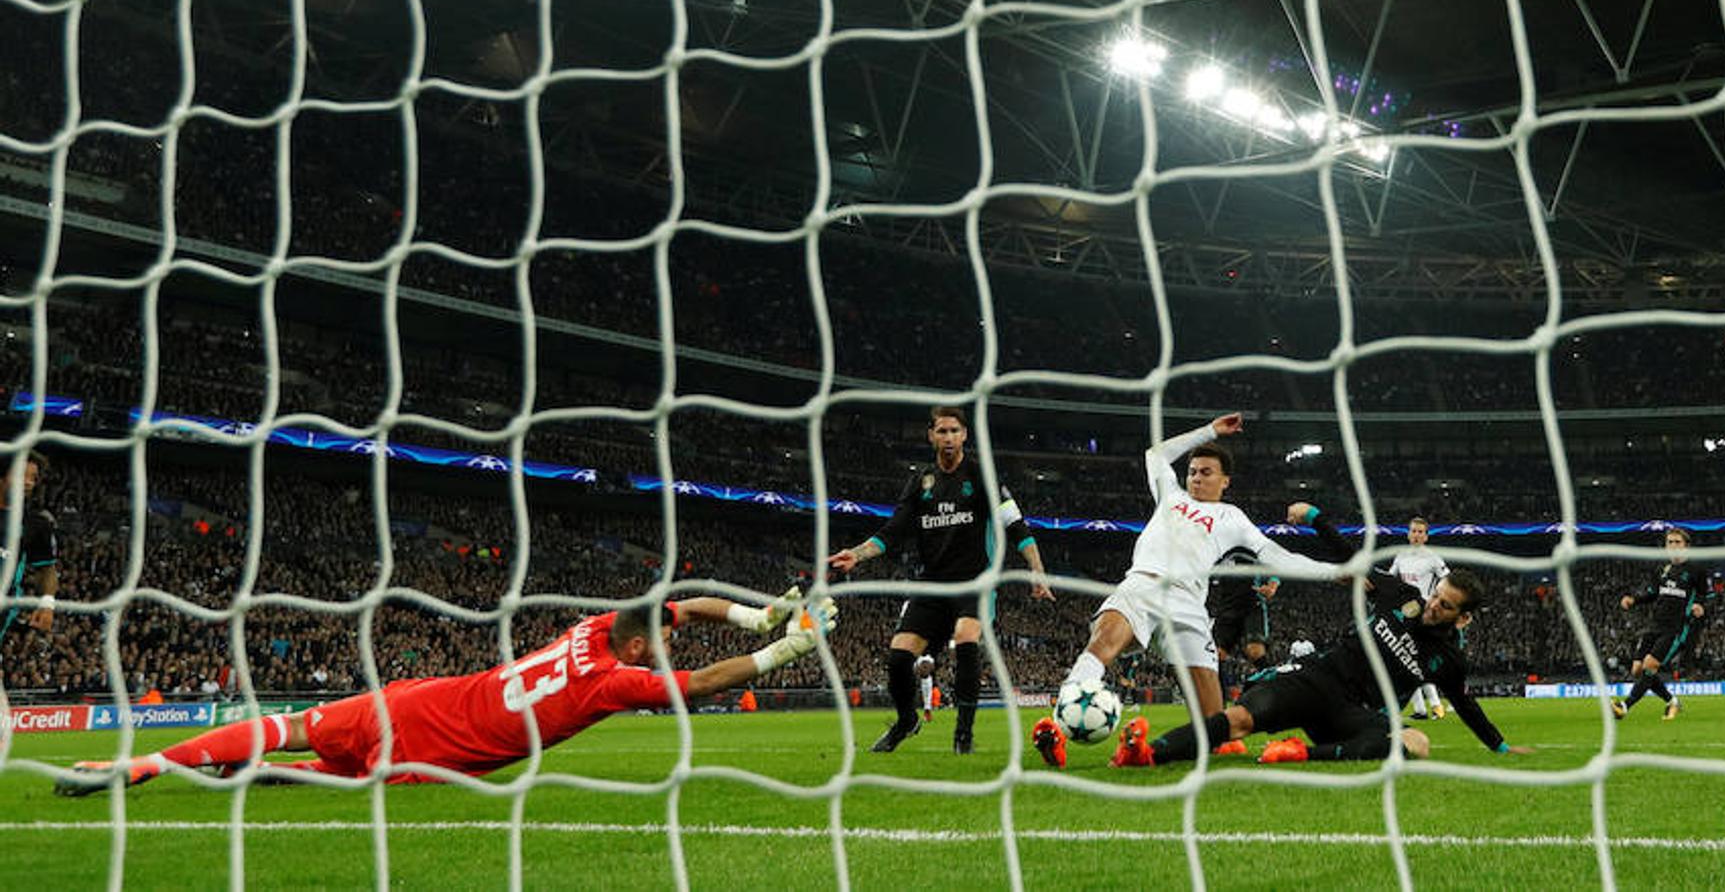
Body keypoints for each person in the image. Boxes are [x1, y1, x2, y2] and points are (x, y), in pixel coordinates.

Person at [56, 591, 835, 794]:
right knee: (311, 772)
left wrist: (752, 612)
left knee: (283, 731)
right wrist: (789, 643)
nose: (662, 646)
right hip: (430, 756)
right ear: (639, 649)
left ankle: (145, 766)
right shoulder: (613, 681)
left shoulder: (597, 630)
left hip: (415, 699)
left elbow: (685, 608)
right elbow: (697, 683)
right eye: (655, 644)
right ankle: (217, 770)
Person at [1108, 502, 1531, 766]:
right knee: (1237, 721)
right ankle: (1148, 753)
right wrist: (1316, 519)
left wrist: (1499, 747)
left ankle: (1302, 753)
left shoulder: (1450, 662)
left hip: (1353, 712)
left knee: (1416, 741)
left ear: (1463, 619)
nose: (1434, 605)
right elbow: (1354, 559)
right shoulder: (1404, 598)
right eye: (1438, 596)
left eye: (1446, 606)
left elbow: (1466, 704)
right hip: (1317, 678)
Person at [1031, 414, 1341, 769]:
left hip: (1189, 604)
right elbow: (1155, 455)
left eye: (1206, 472)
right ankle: (1055, 732)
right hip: (1143, 583)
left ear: (1225, 481)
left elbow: (1276, 555)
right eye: (1192, 471)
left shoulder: (1232, 518)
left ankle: (1163, 747)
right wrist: (1210, 431)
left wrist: (1333, 573)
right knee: (1102, 644)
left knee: (1216, 725)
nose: (1195, 477)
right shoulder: (1170, 495)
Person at [828, 406, 1051, 756]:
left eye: (954, 431)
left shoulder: (981, 475)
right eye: (941, 431)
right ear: (931, 436)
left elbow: (1016, 524)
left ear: (964, 436)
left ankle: (963, 735)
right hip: (932, 584)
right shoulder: (920, 483)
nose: (948, 437)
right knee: (898, 658)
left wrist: (1036, 569)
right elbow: (892, 531)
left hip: (974, 582)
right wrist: (857, 554)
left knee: (965, 639)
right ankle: (906, 721)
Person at [1612, 527, 1713, 722]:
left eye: (1677, 542)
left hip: (1675, 628)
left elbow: (1705, 594)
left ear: (1686, 546)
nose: (1673, 546)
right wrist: (1634, 600)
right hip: (1654, 625)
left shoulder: (1696, 570)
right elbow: (1652, 593)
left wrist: (1700, 605)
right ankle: (1672, 701)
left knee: (1650, 665)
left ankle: (1624, 706)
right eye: (1670, 542)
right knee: (1637, 670)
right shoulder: (1662, 570)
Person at [1391, 516, 1450, 720]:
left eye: (1420, 532)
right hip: (1404, 614)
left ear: (1426, 536)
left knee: (1416, 661)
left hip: (1423, 615)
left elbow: (1447, 580)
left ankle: (1434, 705)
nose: (1416, 535)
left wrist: (1437, 602)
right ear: (1408, 534)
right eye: (1413, 531)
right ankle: (1421, 709)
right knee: (1405, 662)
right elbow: (1391, 580)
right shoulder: (1400, 557)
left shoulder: (1433, 558)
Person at [0, 451, 58, 646]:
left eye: (33, 478)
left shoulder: (36, 523)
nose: (28, 483)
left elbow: (46, 570)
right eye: (22, 475)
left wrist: (47, 604)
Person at [1209, 565, 1279, 702]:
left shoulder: (1254, 548)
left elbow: (1273, 565)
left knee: (1255, 651)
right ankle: (1219, 706)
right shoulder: (1221, 550)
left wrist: (1272, 586)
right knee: (1216, 657)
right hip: (1227, 607)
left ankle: (1275, 693)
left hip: (1252, 604)